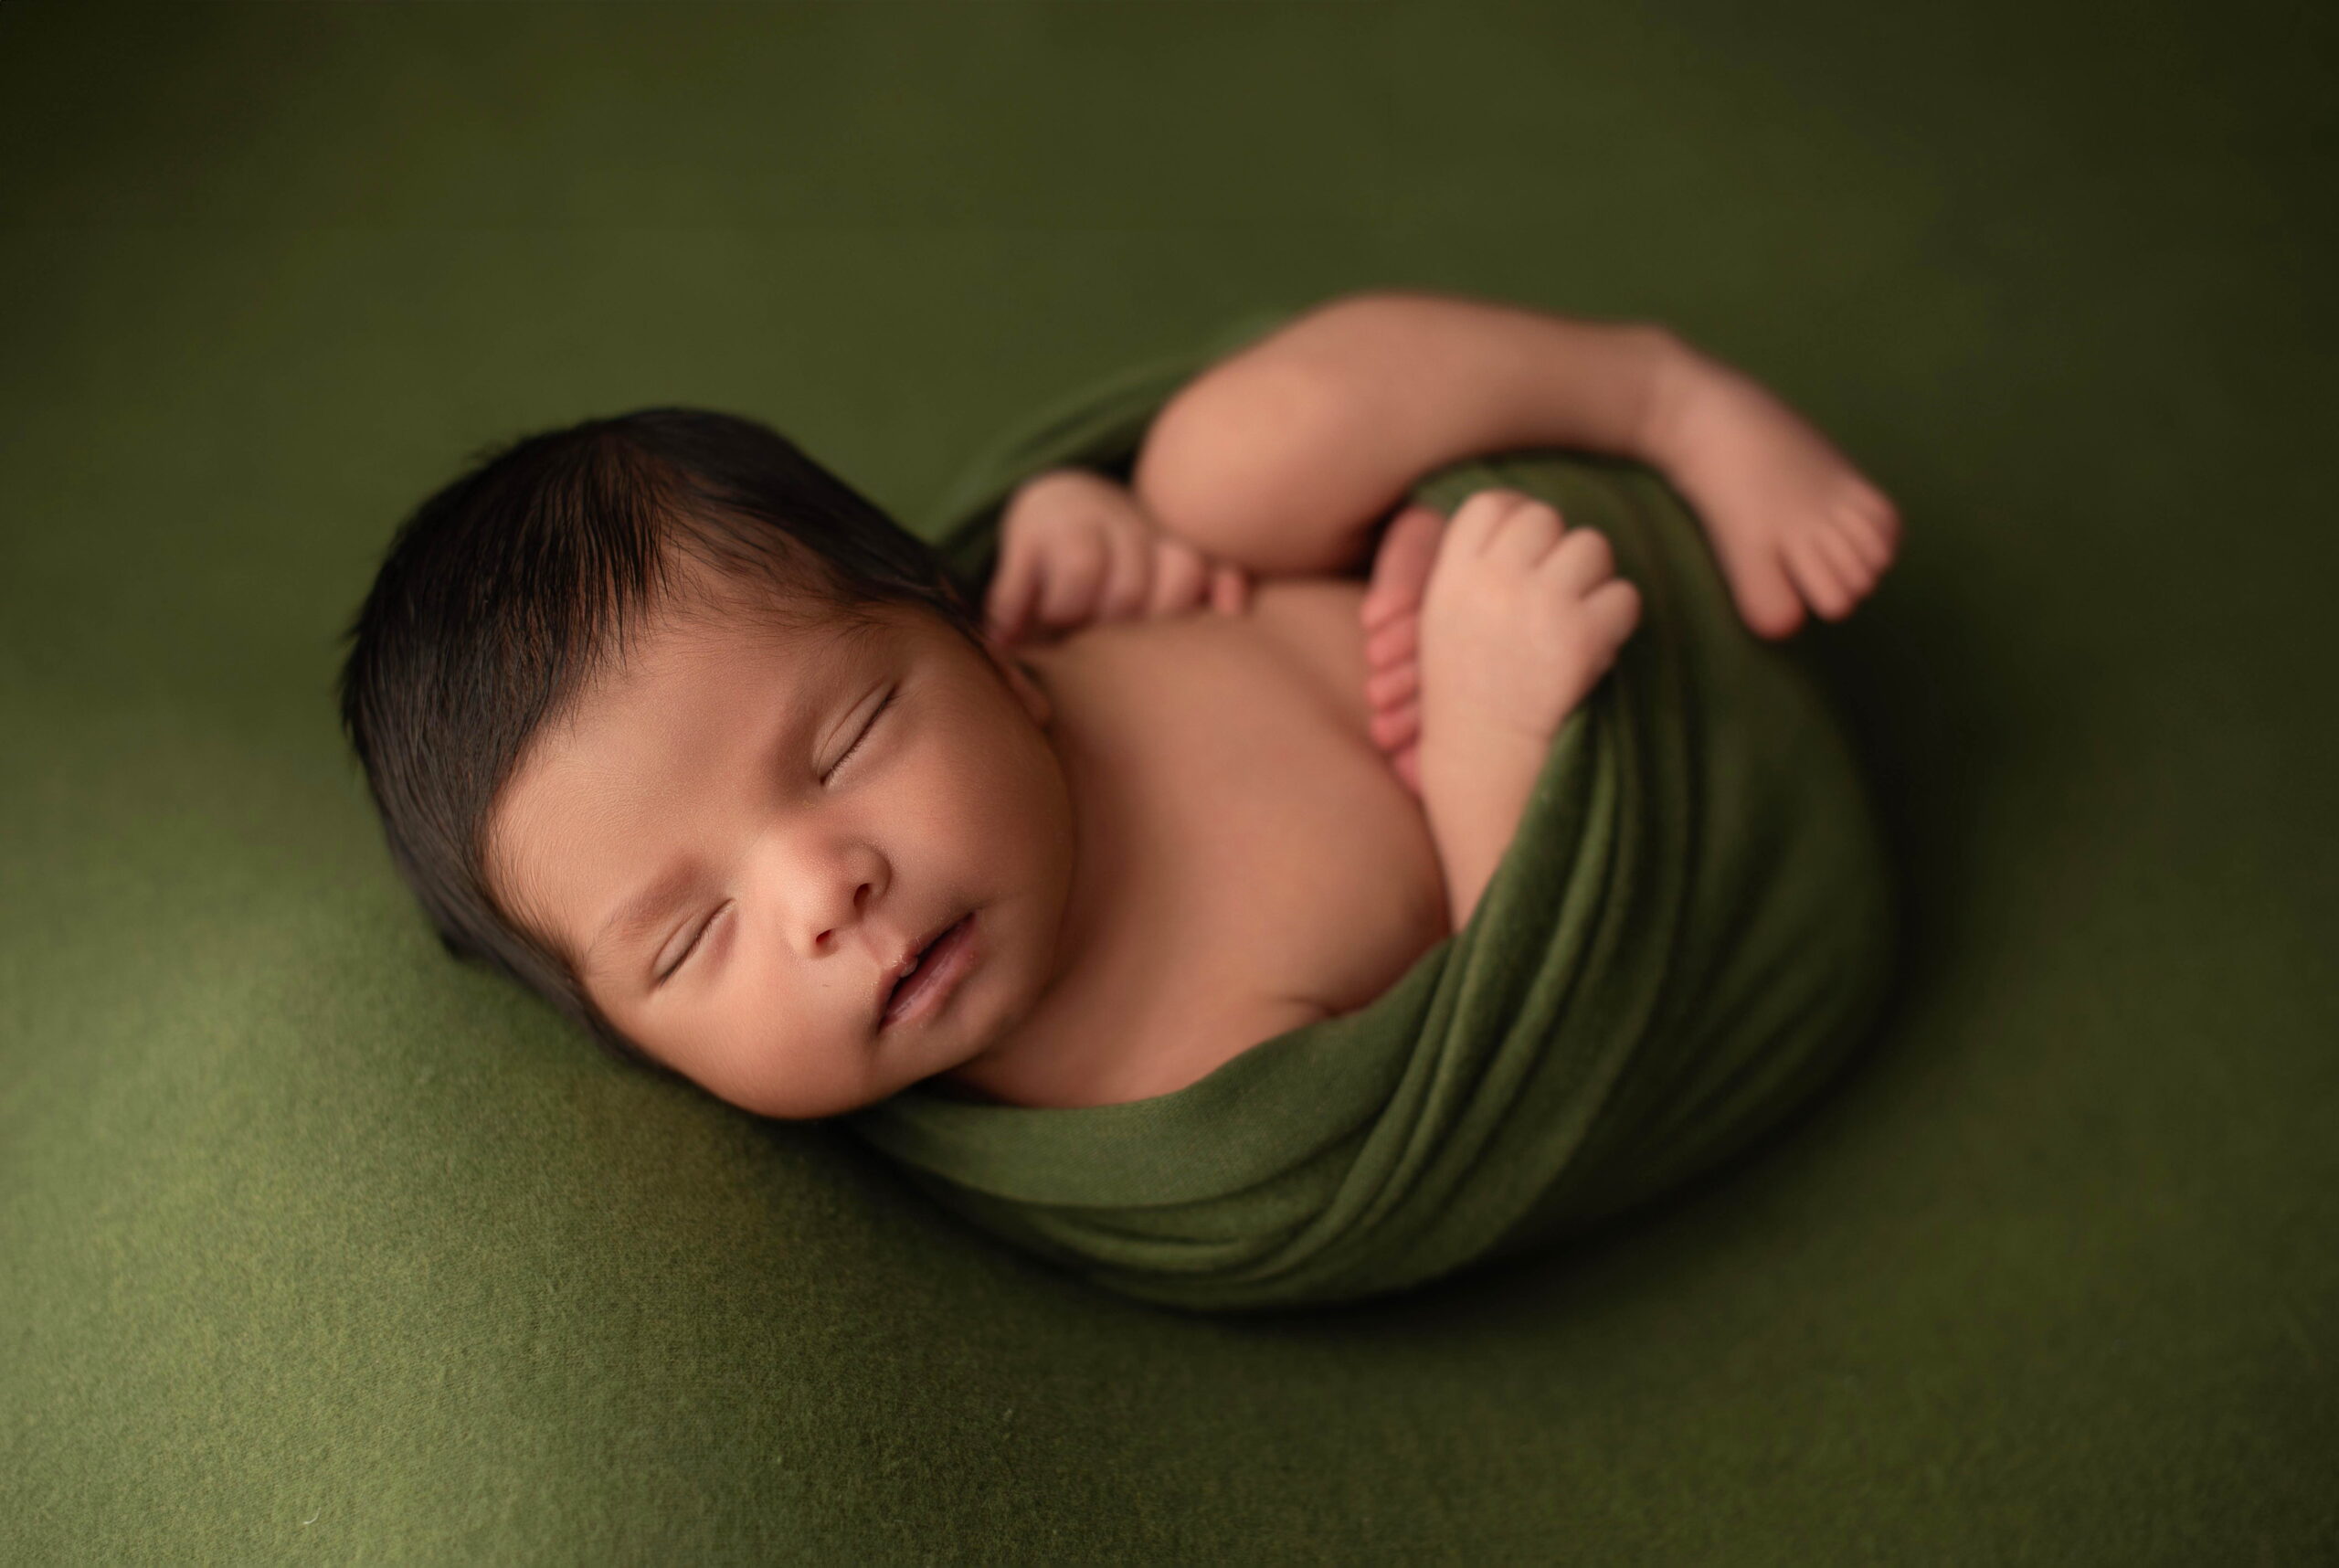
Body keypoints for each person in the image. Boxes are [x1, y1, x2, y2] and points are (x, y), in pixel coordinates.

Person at [336, 288, 1900, 1119]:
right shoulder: (1177, 1083)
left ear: (986, 651)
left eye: (849, 739)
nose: (823, 894)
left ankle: (1659, 395)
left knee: (1227, 456)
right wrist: (1493, 747)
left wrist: (1107, 536)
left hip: (1427, 565)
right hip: (1569, 760)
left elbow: (1101, 573)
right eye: (689, 941)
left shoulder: (1034, 661)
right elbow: (1494, 1081)